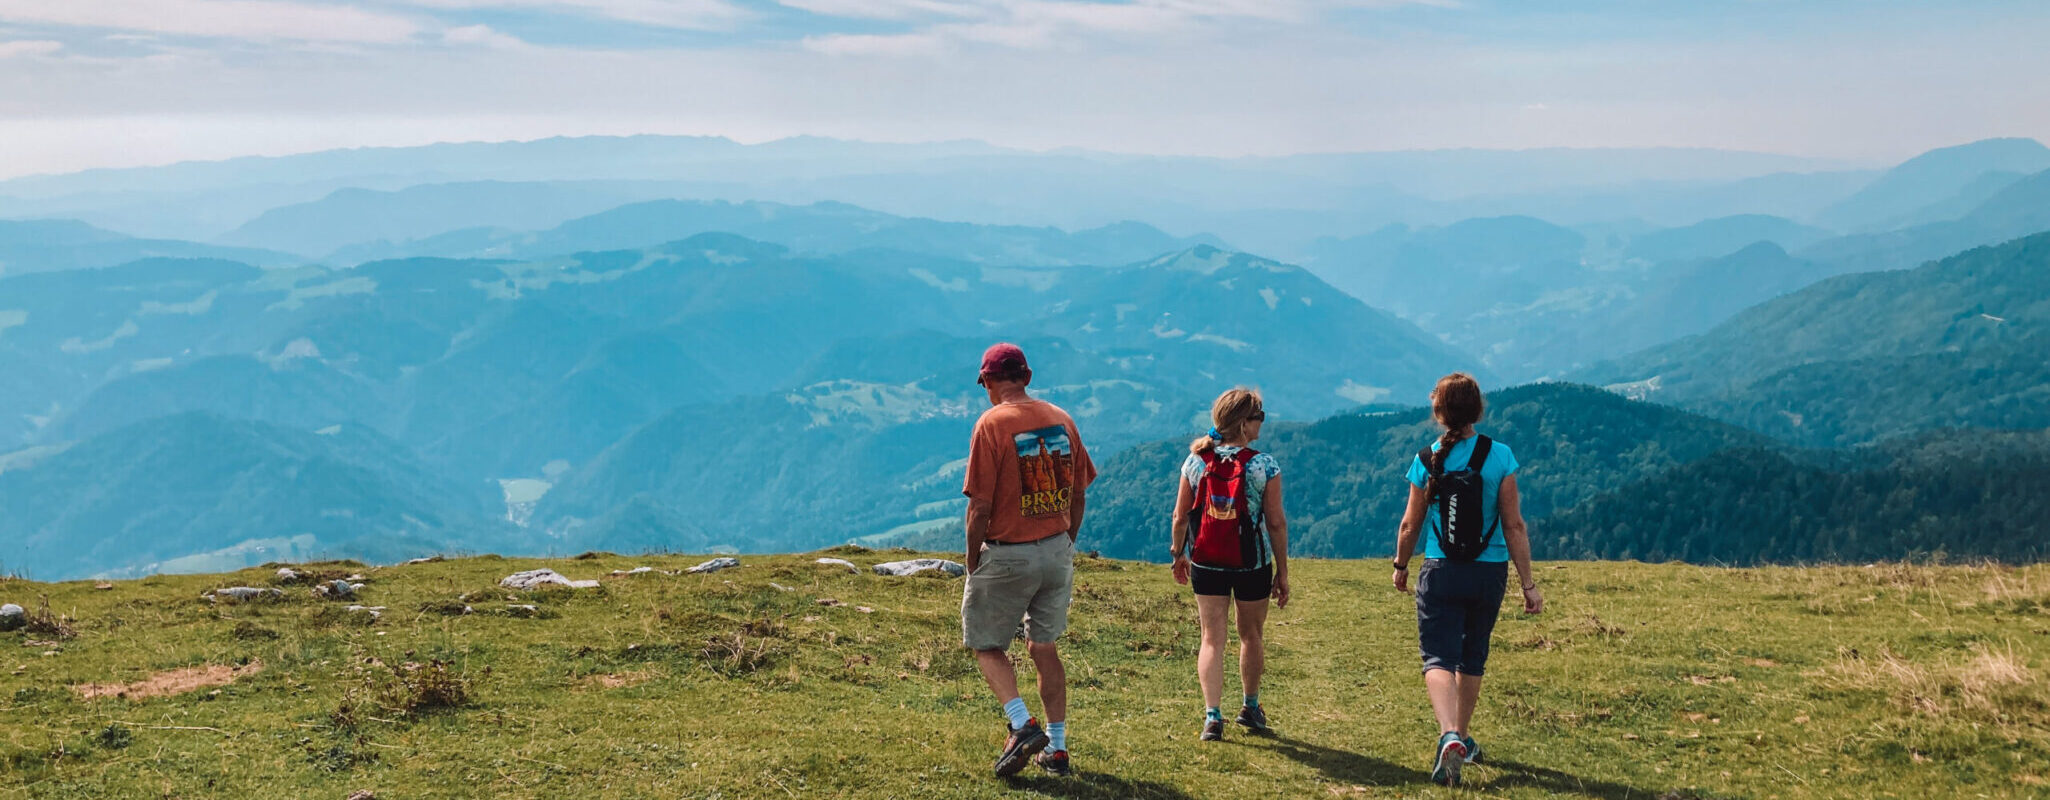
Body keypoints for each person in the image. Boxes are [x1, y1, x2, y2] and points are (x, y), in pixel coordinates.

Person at [1392, 372, 1543, 787]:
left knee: (1437, 658)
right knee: (1472, 657)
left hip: (1440, 571)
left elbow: (1410, 523)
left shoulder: (1426, 458)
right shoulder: (1501, 456)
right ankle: (1463, 736)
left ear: (1439, 412)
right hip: (1488, 573)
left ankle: (1449, 735)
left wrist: (1401, 565)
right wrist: (1528, 584)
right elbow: (1514, 526)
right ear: (1477, 409)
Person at [960, 342, 1096, 778]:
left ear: (988, 383)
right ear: (1028, 376)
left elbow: (979, 505)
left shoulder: (992, 424)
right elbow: (1078, 494)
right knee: (1043, 646)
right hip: (1056, 549)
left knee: (985, 643)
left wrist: (971, 557)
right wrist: (1066, 541)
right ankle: (1056, 749)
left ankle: (1021, 724)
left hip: (1008, 553)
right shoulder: (1062, 419)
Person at [1169, 388, 1291, 741]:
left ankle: (1212, 717)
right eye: (1259, 416)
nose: (1262, 423)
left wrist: (1178, 554)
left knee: (1211, 639)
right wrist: (1282, 571)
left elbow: (1179, 516)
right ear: (1243, 424)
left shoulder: (1195, 462)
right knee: (1250, 635)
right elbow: (1276, 522)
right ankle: (1250, 707)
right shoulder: (1264, 465)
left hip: (1206, 561)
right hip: (1251, 563)